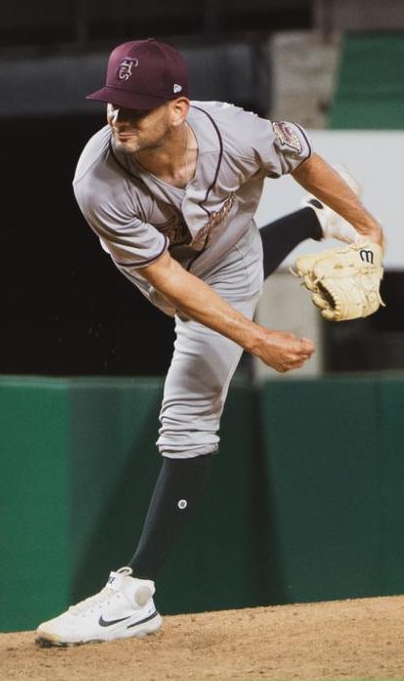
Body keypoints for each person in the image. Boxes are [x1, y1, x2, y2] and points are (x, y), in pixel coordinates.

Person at [36, 37, 383, 646]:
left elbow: (302, 153)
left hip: (231, 251)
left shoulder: (238, 133)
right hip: (169, 275)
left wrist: (368, 225)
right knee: (197, 296)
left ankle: (136, 593)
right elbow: (171, 279)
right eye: (113, 104)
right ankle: (306, 222)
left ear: (178, 109)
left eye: (134, 107)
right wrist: (258, 339)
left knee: (188, 415)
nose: (118, 118)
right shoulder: (98, 182)